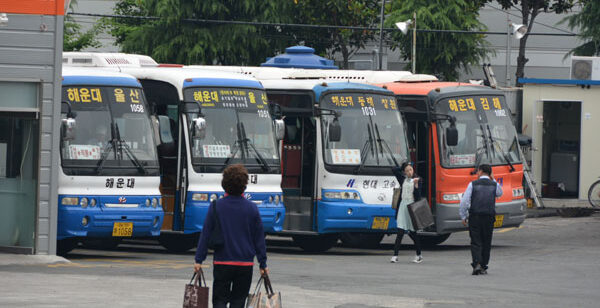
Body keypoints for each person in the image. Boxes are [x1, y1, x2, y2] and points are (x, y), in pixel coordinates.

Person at [193, 164, 268, 308]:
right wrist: (262, 263)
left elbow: (206, 234)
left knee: (219, 301)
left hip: (222, 262)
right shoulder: (252, 208)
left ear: (224, 184)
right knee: (238, 302)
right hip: (245, 264)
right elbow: (259, 239)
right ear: (244, 185)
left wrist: (199, 259)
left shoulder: (216, 206)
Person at [459, 164, 503, 275]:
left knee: (476, 241)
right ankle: (483, 266)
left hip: (475, 216)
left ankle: (477, 263)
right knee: (486, 241)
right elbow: (500, 193)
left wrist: (463, 216)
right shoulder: (494, 184)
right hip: (489, 216)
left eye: (478, 171)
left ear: (481, 171)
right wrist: (493, 179)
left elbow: (464, 201)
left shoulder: (473, 184)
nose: (477, 173)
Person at [390, 162, 423, 264]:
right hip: (402, 207)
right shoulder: (403, 179)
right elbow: (394, 170)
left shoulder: (418, 180)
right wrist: (403, 166)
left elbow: (418, 197)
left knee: (413, 232)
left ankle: (419, 255)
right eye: (407, 170)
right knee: (400, 232)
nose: (409, 172)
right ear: (404, 171)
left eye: (411, 169)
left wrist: (416, 186)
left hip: (411, 207)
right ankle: (395, 255)